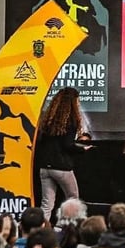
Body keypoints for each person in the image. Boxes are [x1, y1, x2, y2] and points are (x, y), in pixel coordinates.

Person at [34, 87, 92, 222]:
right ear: (73, 102)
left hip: (45, 167)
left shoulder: (48, 120)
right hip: (62, 167)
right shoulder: (71, 121)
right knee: (73, 200)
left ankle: (41, 230)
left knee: (46, 204)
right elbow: (67, 145)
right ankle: (68, 229)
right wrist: (82, 149)